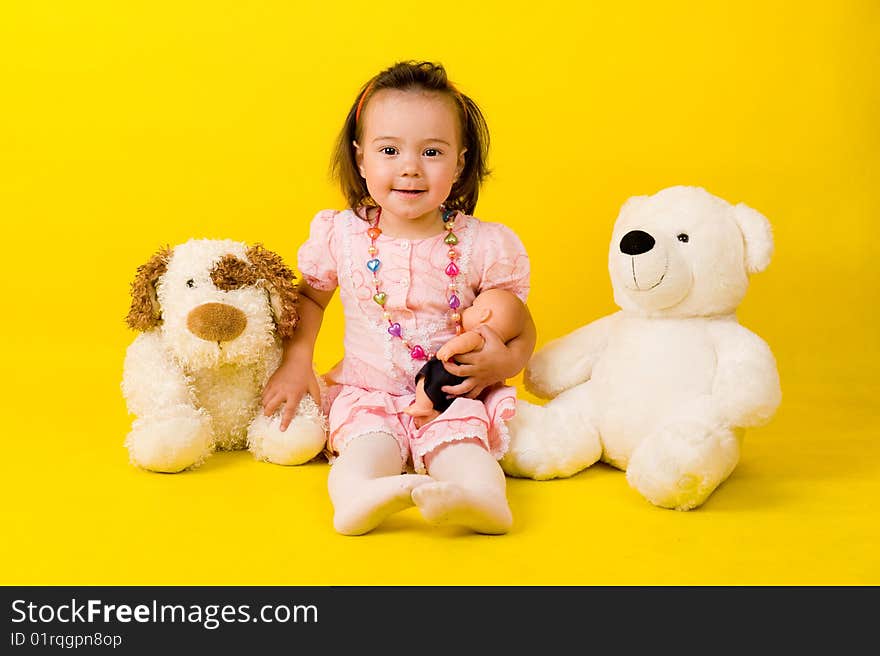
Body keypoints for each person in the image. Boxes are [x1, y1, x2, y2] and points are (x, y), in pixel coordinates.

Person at [262, 60, 536, 536]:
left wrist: (505, 362)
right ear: (361, 159)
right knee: (367, 447)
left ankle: (482, 501)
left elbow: (522, 321)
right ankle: (361, 497)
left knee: (465, 450)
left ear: (461, 161)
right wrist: (297, 359)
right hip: (369, 387)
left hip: (451, 391)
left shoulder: (483, 244)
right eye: (389, 149)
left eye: (432, 151)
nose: (410, 167)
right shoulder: (341, 235)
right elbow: (310, 300)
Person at [405, 288, 530, 429]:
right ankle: (435, 413)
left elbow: (462, 343)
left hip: (449, 371)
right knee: (444, 398)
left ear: (484, 315)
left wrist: (447, 350)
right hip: (465, 380)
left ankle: (423, 407)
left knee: (425, 379)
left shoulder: (478, 335)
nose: (466, 309)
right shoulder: (494, 345)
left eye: (472, 306)